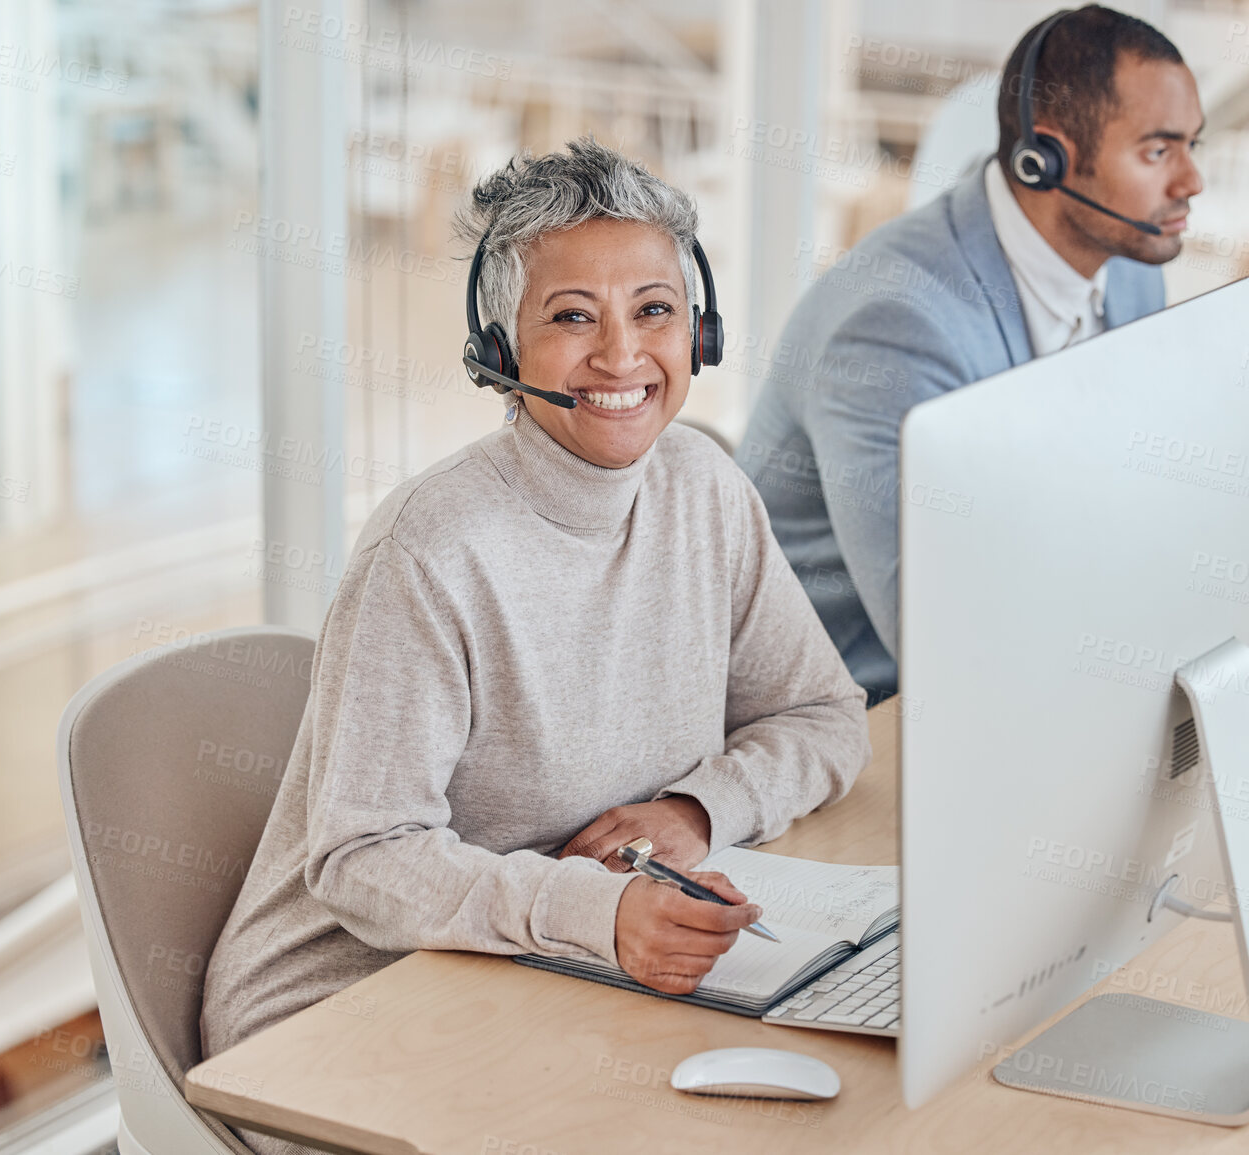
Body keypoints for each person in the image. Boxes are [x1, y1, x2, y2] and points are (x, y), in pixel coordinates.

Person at [200, 139, 870, 1155]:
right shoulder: (431, 549)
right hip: (346, 1006)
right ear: (500, 352)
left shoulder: (703, 491)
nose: (621, 357)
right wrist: (596, 915)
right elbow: (362, 859)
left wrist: (700, 809)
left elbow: (822, 716)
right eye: (571, 318)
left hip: (543, 966)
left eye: (654, 310)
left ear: (703, 331)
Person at [737, 4, 1249, 704]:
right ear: (1047, 159)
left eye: (1191, 144)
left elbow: (1138, 490)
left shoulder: (1122, 261)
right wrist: (1231, 606)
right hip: (866, 724)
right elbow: (943, 639)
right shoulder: (897, 329)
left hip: (1054, 675)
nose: (1191, 180)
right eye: (1158, 151)